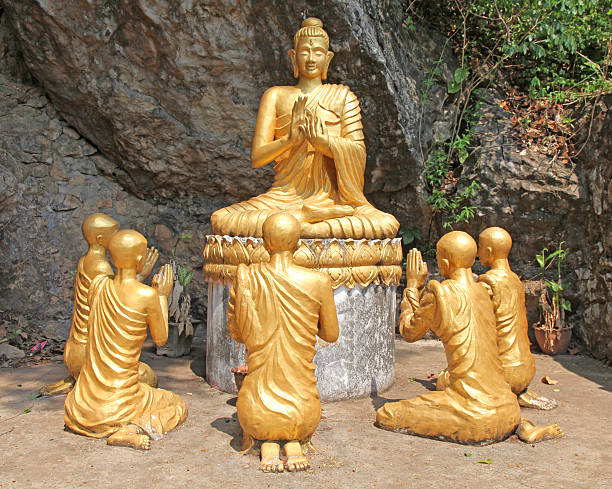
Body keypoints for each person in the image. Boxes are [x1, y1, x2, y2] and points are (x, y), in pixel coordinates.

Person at [211, 17, 398, 239]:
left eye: (318, 52)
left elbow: (358, 153)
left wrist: (325, 144)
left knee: (386, 223)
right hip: (282, 198)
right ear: (293, 57)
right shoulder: (275, 96)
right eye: (304, 52)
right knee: (222, 219)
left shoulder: (343, 97)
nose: (311, 58)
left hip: (331, 200)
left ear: (328, 59)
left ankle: (300, 228)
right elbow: (257, 158)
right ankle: (303, 220)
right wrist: (289, 141)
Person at [376, 232, 563, 444]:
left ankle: (496, 423)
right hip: (509, 407)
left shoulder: (439, 294)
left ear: (444, 263)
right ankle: (524, 427)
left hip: (474, 414)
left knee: (388, 414)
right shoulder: (483, 292)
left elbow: (408, 331)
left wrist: (412, 285)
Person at [227, 213, 339, 471]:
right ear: (299, 244)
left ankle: (266, 446)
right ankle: (292, 444)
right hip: (304, 413)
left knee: (262, 420)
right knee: (296, 423)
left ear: (264, 244)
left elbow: (238, 333)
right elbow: (331, 334)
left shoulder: (246, 278)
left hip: (254, 411)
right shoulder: (319, 281)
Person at [64, 230, 187, 450]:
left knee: (146, 378)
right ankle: (132, 429)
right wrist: (161, 295)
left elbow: (120, 298)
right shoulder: (147, 296)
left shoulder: (98, 286)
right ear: (140, 260)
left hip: (80, 406)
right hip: (119, 405)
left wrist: (141, 278)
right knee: (177, 405)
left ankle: (114, 420)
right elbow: (161, 339)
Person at [41, 213, 158, 396]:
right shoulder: (102, 266)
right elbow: (116, 297)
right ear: (101, 239)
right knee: (148, 377)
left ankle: (80, 379)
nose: (118, 237)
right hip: (88, 353)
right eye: (115, 233)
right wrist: (143, 277)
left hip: (73, 350)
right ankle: (89, 382)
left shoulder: (84, 260)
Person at [477, 227, 556, 410]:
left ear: (488, 251)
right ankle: (520, 392)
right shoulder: (515, 280)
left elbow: (481, 327)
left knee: (447, 380)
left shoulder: (488, 282)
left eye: (480, 246)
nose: (477, 251)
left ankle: (505, 392)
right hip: (526, 368)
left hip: (504, 371)